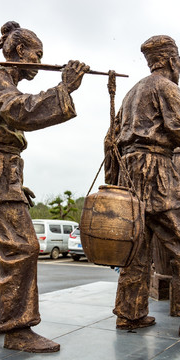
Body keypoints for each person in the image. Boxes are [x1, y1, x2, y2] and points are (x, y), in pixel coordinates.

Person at [0, 20, 89, 352]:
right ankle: (17, 329)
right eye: (37, 55)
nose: (38, 63)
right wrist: (64, 89)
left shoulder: (3, 81)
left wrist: (16, 183)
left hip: (2, 172)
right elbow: (20, 111)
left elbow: (9, 123)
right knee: (22, 247)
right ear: (20, 51)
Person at [104, 35, 180, 330]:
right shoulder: (166, 87)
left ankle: (129, 313)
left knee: (137, 245)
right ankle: (130, 313)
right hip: (156, 170)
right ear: (172, 60)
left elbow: (110, 138)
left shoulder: (132, 91)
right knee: (175, 232)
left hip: (130, 172)